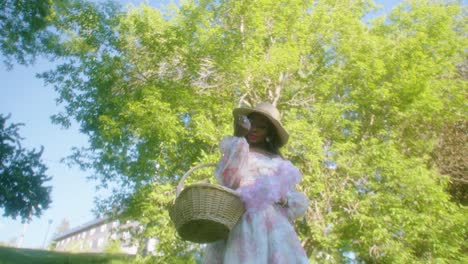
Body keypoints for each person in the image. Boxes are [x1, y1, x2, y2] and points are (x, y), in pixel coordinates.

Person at [202, 102, 309, 264]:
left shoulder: (278, 161)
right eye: (251, 123)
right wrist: (238, 138)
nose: (255, 129)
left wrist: (284, 199)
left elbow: (295, 199)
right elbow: (228, 180)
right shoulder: (236, 148)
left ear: (269, 132)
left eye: (262, 127)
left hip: (273, 226)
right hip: (239, 219)